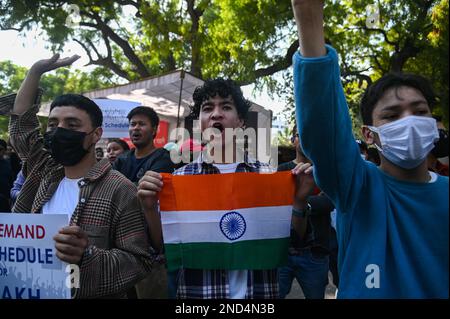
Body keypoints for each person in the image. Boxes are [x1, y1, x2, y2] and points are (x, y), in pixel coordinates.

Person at [291, 0, 448, 298]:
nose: (409, 122)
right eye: (391, 116)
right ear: (369, 134)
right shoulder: (358, 186)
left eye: (420, 111)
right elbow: (323, 130)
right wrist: (308, 15)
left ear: (434, 124)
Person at [137, 78, 315, 299]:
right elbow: (164, 248)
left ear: (240, 121)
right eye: (208, 108)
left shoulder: (267, 177)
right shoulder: (179, 181)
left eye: (226, 107)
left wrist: (298, 202)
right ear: (200, 121)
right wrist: (150, 208)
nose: (216, 113)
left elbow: (293, 243)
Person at [3, 54, 155, 298]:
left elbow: (139, 261)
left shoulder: (121, 190)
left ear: (96, 134)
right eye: (52, 124)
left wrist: (87, 256)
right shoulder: (43, 171)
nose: (59, 131)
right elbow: (22, 129)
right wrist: (35, 72)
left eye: (72, 125)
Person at [277, 127, 334, 299]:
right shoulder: (282, 170)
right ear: (293, 140)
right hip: (283, 253)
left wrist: (296, 202)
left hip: (315, 253)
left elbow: (329, 202)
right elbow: (275, 205)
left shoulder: (325, 172)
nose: (305, 138)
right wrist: (308, 201)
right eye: (299, 135)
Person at [113, 106, 174, 184]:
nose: (136, 128)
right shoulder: (121, 159)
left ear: (154, 130)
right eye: (133, 124)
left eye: (141, 124)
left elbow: (149, 190)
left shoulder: (163, 158)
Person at [0, 139, 14, 211]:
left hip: (5, 202)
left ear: (4, 150)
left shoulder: (9, 164)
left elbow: (11, 182)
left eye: (0, 149)